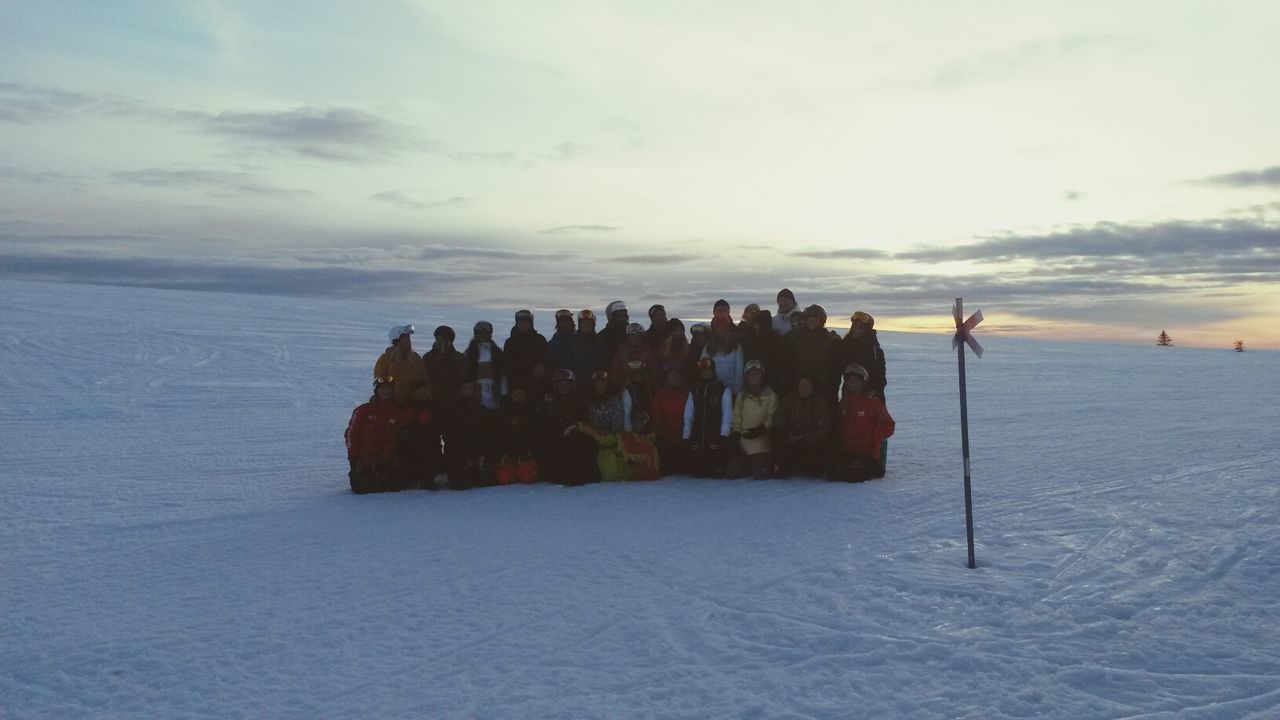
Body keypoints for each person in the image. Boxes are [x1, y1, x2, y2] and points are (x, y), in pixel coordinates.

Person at [345, 376, 415, 494]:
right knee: (360, 488)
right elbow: (351, 433)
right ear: (376, 390)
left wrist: (383, 459)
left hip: (382, 460)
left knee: (393, 487)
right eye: (382, 388)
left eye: (388, 389)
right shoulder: (363, 410)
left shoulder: (396, 412)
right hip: (362, 458)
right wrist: (353, 457)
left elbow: (393, 438)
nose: (385, 391)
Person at [535, 368, 599, 486]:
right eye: (560, 384)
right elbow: (542, 423)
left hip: (574, 435)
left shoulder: (580, 401)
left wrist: (573, 427)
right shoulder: (548, 401)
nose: (563, 386)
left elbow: (584, 421)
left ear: (572, 384)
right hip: (555, 438)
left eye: (566, 383)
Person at [833, 364, 895, 482]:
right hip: (846, 450)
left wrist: (874, 439)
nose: (853, 383)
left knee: (856, 475)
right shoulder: (843, 403)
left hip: (866, 452)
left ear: (863, 383)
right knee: (833, 474)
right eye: (850, 380)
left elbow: (889, 425)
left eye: (857, 380)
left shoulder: (873, 404)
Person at [727, 360, 779, 480]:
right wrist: (736, 434)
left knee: (760, 475)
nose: (754, 377)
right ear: (746, 377)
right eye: (751, 374)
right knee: (731, 474)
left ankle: (768, 463)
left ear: (762, 376)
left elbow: (771, 418)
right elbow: (737, 418)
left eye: (757, 374)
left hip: (761, 440)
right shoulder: (741, 396)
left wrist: (760, 430)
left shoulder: (771, 396)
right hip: (744, 439)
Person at [683, 357, 733, 478]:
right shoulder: (694, 390)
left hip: (715, 438)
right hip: (698, 437)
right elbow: (688, 415)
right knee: (697, 472)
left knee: (714, 471)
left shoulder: (723, 390)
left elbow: (727, 416)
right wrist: (686, 436)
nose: (705, 373)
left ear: (714, 371)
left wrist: (724, 436)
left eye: (708, 370)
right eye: (703, 370)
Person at [773, 377, 832, 478]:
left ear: (812, 388)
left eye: (806, 386)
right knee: (776, 434)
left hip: (809, 440)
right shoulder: (790, 398)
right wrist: (788, 432)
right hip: (791, 436)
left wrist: (805, 437)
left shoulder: (821, 403)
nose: (803, 389)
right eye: (801, 386)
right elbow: (779, 417)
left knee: (814, 468)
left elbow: (824, 428)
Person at [578, 410, 660, 482]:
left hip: (607, 476)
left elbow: (652, 474)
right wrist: (580, 426)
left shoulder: (650, 447)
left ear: (648, 421)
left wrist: (632, 464)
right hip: (599, 462)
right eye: (636, 418)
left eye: (644, 419)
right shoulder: (625, 436)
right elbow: (605, 438)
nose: (639, 422)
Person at [784, 304, 841, 406]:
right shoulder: (796, 338)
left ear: (821, 321)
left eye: (815, 320)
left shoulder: (830, 340)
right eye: (809, 320)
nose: (812, 323)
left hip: (823, 387)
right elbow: (790, 362)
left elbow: (835, 369)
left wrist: (832, 388)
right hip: (800, 385)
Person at [445, 380, 497, 489]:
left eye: (470, 388)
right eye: (465, 388)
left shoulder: (481, 409)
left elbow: (486, 433)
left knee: (488, 481)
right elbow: (451, 435)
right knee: (458, 485)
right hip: (460, 450)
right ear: (460, 390)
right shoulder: (452, 410)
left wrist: (482, 454)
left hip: (477, 449)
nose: (468, 391)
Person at [651, 362, 690, 476]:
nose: (675, 378)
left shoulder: (688, 395)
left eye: (677, 375)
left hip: (684, 439)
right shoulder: (660, 396)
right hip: (666, 440)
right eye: (671, 375)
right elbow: (656, 418)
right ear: (666, 378)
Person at [398, 385, 441, 490]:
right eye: (418, 391)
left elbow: (437, 428)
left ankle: (427, 478)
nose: (421, 394)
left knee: (431, 448)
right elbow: (402, 428)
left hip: (428, 444)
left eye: (424, 391)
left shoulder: (433, 407)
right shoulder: (406, 407)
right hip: (409, 444)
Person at [374, 324, 429, 404]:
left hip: (411, 406)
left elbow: (424, 381)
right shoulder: (385, 360)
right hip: (390, 405)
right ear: (397, 340)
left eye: (408, 338)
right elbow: (379, 383)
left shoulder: (416, 360)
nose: (408, 341)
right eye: (405, 338)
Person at [839, 310, 887, 400]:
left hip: (870, 398)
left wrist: (873, 391)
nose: (856, 330)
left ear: (866, 331)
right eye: (855, 327)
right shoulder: (845, 346)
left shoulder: (875, 351)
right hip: (850, 395)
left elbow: (881, 378)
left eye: (860, 328)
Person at [495, 387, 539, 484]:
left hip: (526, 453)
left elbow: (536, 435)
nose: (519, 397)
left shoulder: (533, 412)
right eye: (517, 395)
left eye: (522, 395)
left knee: (528, 478)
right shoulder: (503, 412)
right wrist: (502, 453)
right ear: (512, 396)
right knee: (504, 479)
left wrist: (529, 452)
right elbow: (498, 435)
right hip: (507, 453)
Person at [503, 309, 548, 395]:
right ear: (517, 323)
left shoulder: (539, 340)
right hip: (515, 386)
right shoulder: (510, 342)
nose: (523, 325)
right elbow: (507, 366)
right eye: (520, 322)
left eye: (526, 322)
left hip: (536, 386)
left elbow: (545, 362)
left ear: (531, 323)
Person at [464, 321, 505, 410]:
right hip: (476, 389)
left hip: (493, 389)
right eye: (480, 333)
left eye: (485, 333)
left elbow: (502, 372)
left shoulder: (496, 352)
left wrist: (503, 391)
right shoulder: (470, 352)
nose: (483, 335)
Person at [702, 314, 744, 396]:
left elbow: (739, 372)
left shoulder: (736, 346)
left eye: (724, 326)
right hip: (712, 392)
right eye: (718, 326)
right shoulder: (708, 346)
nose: (721, 329)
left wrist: (736, 392)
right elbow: (703, 369)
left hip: (730, 392)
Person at [611, 322, 659, 391]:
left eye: (637, 335)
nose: (635, 338)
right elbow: (615, 370)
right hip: (625, 388)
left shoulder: (648, 352)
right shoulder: (622, 352)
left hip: (645, 387)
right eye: (632, 336)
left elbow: (655, 370)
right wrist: (616, 386)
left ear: (642, 336)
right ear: (628, 337)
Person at [569, 309, 608, 384]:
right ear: (579, 325)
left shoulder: (600, 343)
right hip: (576, 385)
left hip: (595, 385)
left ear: (593, 325)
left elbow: (605, 364)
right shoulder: (571, 342)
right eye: (583, 323)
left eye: (589, 323)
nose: (586, 325)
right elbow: (567, 363)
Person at [545, 309, 578, 375]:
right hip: (559, 382)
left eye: (567, 321)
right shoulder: (552, 344)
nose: (564, 324)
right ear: (558, 324)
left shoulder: (580, 341)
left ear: (572, 323)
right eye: (562, 322)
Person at [600, 300, 630, 364]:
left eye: (624, 315)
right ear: (612, 317)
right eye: (619, 316)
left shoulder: (632, 334)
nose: (622, 318)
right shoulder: (602, 336)